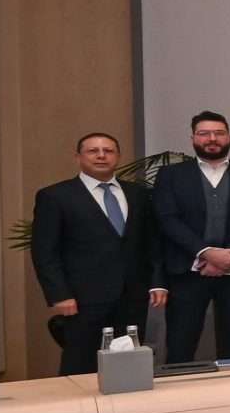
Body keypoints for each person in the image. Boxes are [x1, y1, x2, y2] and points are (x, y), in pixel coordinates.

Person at [30, 132, 166, 375]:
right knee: (81, 362)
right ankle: (76, 412)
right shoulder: (55, 196)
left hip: (132, 296)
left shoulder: (137, 194)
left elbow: (151, 243)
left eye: (109, 150)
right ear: (78, 157)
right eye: (93, 151)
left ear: (118, 156)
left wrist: (157, 283)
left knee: (129, 364)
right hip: (82, 300)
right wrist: (59, 294)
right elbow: (44, 251)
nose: (101, 155)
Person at [150, 111, 230, 363]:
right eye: (204, 133)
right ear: (193, 138)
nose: (212, 138)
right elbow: (167, 219)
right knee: (181, 343)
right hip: (187, 271)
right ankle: (180, 398)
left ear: (229, 137)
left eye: (219, 133)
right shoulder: (171, 176)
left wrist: (229, 256)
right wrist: (207, 253)